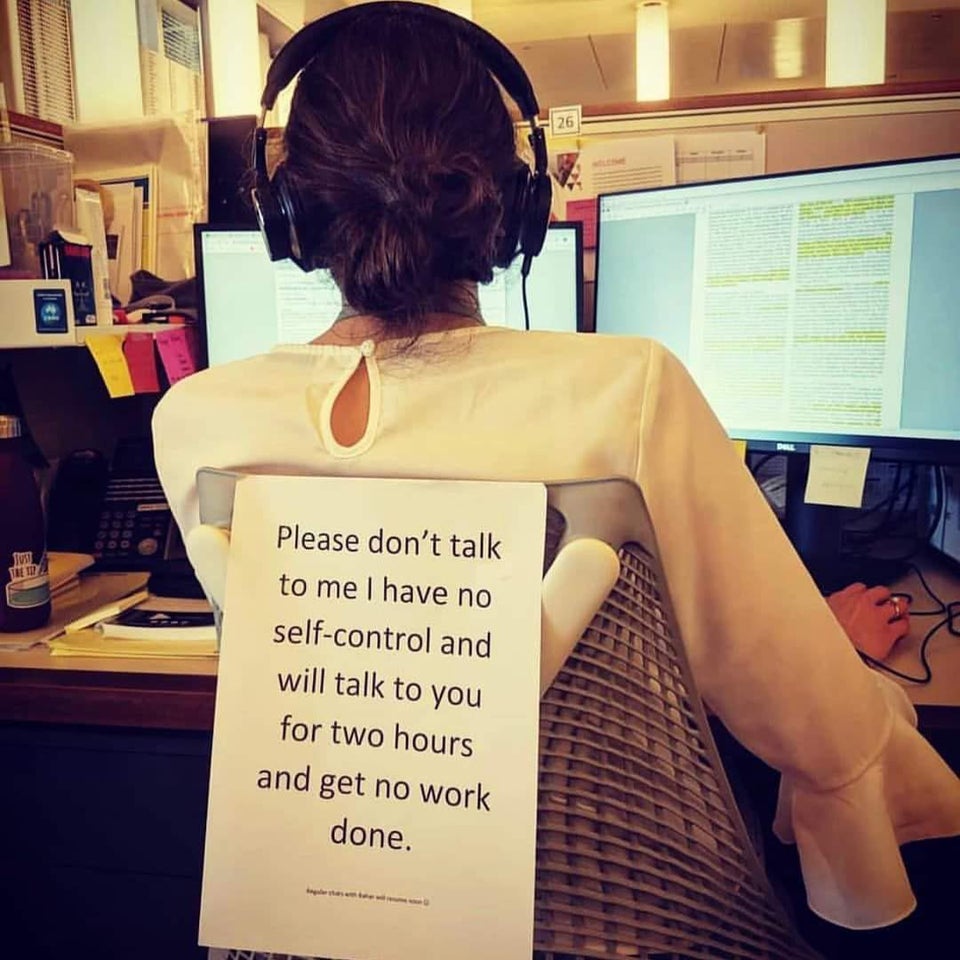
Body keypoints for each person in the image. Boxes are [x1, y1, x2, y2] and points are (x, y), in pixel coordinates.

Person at [151, 0, 960, 948]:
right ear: (515, 208)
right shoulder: (628, 392)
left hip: (328, 920)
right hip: (627, 926)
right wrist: (855, 673)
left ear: (286, 214)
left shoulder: (194, 420)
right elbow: (820, 734)